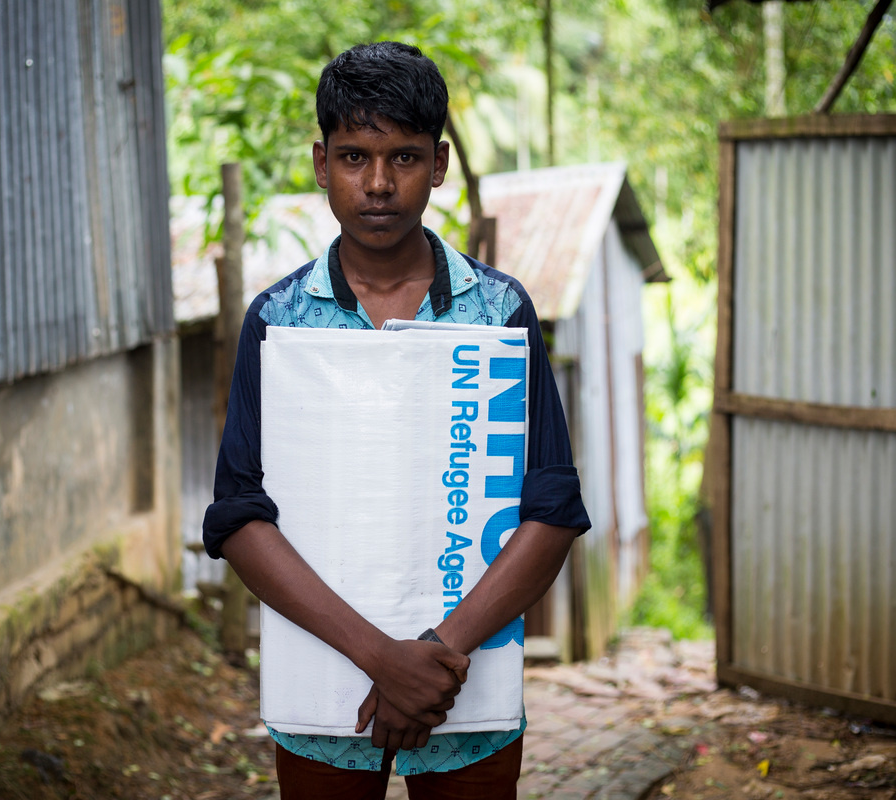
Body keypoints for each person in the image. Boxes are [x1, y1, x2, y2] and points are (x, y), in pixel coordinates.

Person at [202, 40, 591, 800]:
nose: (378, 184)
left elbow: (551, 511)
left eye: (404, 158)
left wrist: (435, 655)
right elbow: (241, 516)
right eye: (354, 157)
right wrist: (384, 658)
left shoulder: (498, 313)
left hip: (465, 681)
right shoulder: (280, 322)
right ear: (321, 164)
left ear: (439, 164)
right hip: (327, 687)